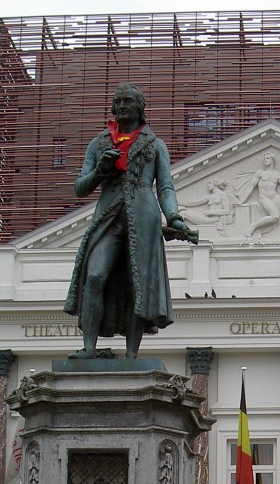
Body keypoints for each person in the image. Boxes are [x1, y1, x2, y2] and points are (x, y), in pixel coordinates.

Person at [63, 83, 197, 360]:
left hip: (144, 216)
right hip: (108, 217)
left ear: (140, 107)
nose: (121, 106)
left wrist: (174, 217)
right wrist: (101, 170)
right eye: (118, 102)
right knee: (95, 275)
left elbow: (166, 187)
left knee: (140, 283)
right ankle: (89, 347)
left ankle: (131, 354)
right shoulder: (99, 144)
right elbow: (80, 188)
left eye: (127, 101)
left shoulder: (155, 144)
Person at [238, 151, 280, 242]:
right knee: (275, 217)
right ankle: (253, 226)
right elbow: (250, 187)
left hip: (275, 198)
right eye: (265, 158)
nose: (265, 160)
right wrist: (242, 201)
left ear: (272, 161)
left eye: (268, 158)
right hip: (264, 198)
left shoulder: (277, 174)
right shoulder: (260, 173)